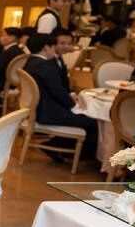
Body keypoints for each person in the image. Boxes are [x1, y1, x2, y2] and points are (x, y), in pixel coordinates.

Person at [22, 33, 97, 162]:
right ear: (46, 47)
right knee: (93, 122)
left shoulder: (30, 62)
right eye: (53, 46)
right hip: (47, 113)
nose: (54, 50)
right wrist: (75, 107)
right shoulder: (45, 66)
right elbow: (57, 91)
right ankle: (73, 155)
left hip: (36, 109)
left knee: (83, 117)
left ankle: (55, 145)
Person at [0, 27, 24, 96]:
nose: (0, 38)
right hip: (15, 84)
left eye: (3, 35)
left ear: (12, 38)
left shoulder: (7, 53)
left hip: (1, 84)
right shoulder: (21, 52)